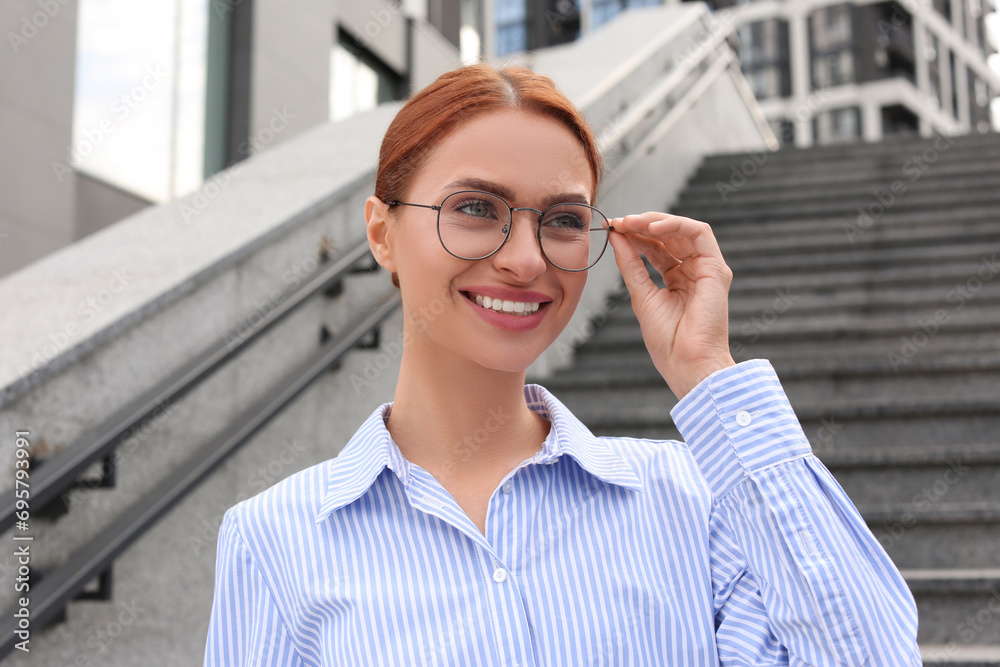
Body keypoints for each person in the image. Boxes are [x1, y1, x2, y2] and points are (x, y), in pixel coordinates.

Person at [204, 62, 921, 666]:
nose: (524, 260)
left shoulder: (695, 499)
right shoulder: (273, 538)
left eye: (564, 220)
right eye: (476, 207)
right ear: (382, 234)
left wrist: (707, 372)